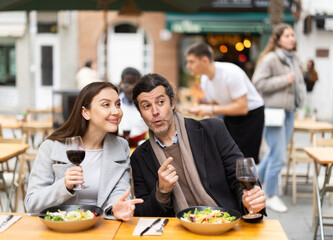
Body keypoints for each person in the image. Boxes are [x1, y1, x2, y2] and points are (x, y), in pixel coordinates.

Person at [130, 73, 266, 217]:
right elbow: (142, 213)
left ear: (172, 102)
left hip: (224, 222)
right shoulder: (139, 157)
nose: (155, 112)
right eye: (146, 106)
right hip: (178, 231)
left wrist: (250, 199)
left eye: (160, 102)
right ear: (140, 113)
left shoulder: (212, 130)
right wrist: (161, 192)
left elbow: (238, 175)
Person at [25, 82, 143, 220]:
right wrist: (64, 186)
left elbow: (121, 191)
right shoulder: (51, 147)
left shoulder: (120, 147)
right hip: (60, 230)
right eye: (106, 105)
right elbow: (31, 204)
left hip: (101, 227)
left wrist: (114, 207)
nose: (116, 111)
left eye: (118, 104)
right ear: (85, 112)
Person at [252, 23, 306, 213]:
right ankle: (271, 195)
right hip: (274, 113)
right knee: (279, 156)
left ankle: (253, 182)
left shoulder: (293, 58)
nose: (292, 38)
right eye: (287, 35)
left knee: (275, 153)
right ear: (277, 39)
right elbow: (258, 83)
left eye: (293, 35)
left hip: (289, 112)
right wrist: (284, 80)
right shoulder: (271, 59)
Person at [186, 42, 265, 164]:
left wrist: (210, 109)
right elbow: (215, 104)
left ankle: (253, 183)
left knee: (245, 162)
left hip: (251, 116)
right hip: (231, 116)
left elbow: (243, 107)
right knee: (229, 158)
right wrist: (202, 106)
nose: (188, 66)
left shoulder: (230, 73)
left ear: (205, 61)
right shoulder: (205, 79)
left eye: (191, 62)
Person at [118, 67, 148, 147]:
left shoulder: (147, 106)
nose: (130, 89)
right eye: (127, 84)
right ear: (121, 84)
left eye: (134, 84)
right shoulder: (114, 106)